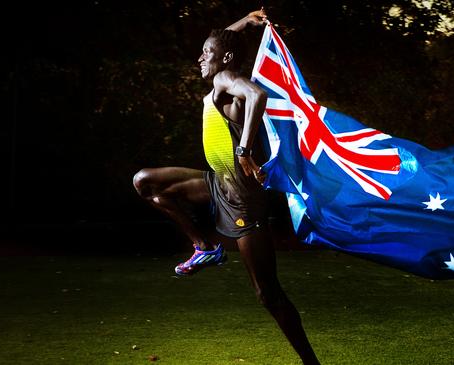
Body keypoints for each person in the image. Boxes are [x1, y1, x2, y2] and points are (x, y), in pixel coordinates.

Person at [132, 9, 320, 365]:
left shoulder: (226, 79)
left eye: (206, 53)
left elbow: (256, 94)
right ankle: (205, 246)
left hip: (244, 205)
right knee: (147, 183)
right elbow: (222, 46)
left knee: (268, 294)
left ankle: (310, 361)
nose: (200, 57)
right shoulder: (222, 71)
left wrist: (244, 149)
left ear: (225, 59)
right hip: (218, 184)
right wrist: (245, 24)